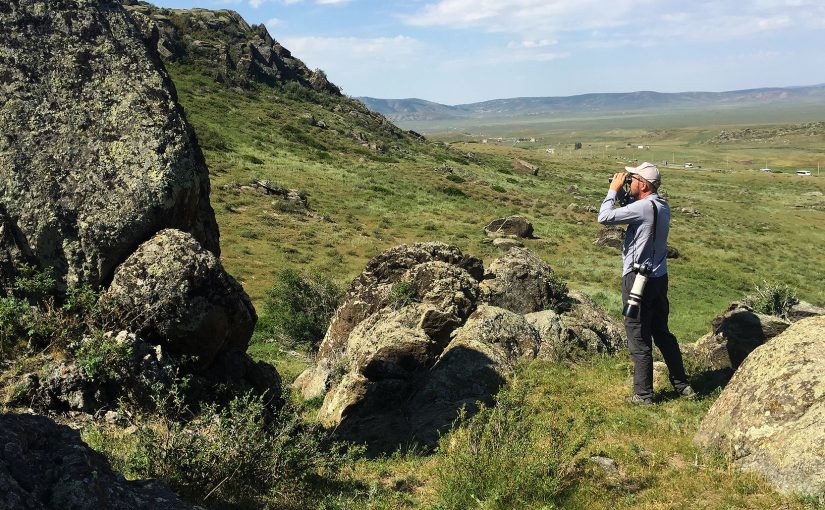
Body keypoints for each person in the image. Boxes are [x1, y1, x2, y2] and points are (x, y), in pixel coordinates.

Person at [597, 162, 694, 404]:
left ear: (644, 184)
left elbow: (604, 217)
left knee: (638, 335)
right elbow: (636, 210)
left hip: (637, 279)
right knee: (662, 333)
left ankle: (643, 395)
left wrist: (613, 191)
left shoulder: (642, 208)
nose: (629, 182)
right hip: (659, 278)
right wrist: (624, 193)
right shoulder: (661, 206)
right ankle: (682, 385)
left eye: (633, 179)